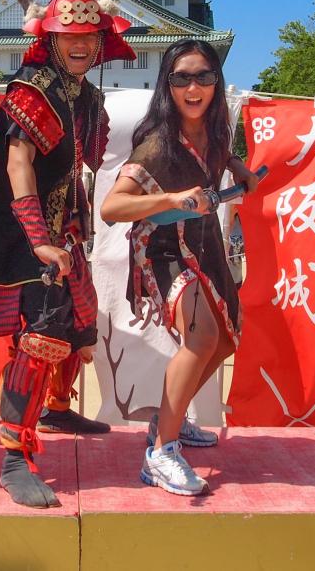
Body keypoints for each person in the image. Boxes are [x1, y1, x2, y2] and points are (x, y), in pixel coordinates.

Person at [0, 0, 136, 508]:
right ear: (51, 39)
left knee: (76, 322)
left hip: (65, 230)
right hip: (26, 234)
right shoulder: (33, 87)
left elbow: (80, 163)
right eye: (70, 37)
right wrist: (38, 238)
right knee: (40, 334)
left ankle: (56, 408)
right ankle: (15, 456)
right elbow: (18, 162)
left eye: (89, 37)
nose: (81, 46)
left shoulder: (85, 96)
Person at [101, 39, 260, 496]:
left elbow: (219, 155)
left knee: (225, 338)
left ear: (216, 82)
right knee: (203, 337)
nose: (194, 87)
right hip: (164, 250)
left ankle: (168, 420)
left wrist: (238, 167)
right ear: (167, 85)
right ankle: (161, 453)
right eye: (182, 78)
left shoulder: (217, 129)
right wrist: (171, 200)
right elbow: (113, 207)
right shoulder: (156, 146)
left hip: (206, 243)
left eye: (204, 77)